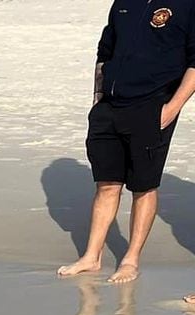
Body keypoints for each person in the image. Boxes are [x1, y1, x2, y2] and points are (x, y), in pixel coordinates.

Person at [58, 1, 195, 284]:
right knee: (106, 184)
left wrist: (171, 109)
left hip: (153, 106)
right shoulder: (124, 3)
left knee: (143, 187)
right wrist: (98, 99)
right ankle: (91, 256)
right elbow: (104, 51)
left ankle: (131, 259)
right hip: (109, 107)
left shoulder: (186, 5)